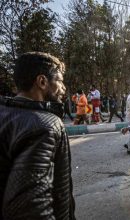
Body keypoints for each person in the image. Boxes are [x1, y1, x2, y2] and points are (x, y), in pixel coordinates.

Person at [0, 52, 75, 219]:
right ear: (42, 82)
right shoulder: (45, 125)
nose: (63, 88)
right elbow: (31, 208)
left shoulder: (5, 112)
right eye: (60, 81)